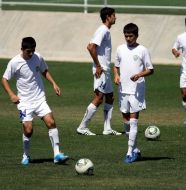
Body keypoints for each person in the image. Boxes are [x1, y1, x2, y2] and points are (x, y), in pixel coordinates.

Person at [2, 37, 69, 165]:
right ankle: (26, 155)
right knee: (28, 130)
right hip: (24, 103)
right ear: (22, 49)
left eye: (33, 50)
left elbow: (44, 71)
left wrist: (54, 84)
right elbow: (4, 79)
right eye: (28, 51)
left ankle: (57, 155)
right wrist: (11, 94)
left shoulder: (38, 57)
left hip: (39, 99)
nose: (31, 53)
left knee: (51, 122)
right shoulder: (14, 62)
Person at [76, 7, 121, 136]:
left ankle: (107, 128)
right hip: (101, 69)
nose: (115, 17)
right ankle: (82, 127)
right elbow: (90, 47)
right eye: (113, 15)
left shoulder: (105, 30)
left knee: (110, 97)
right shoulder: (102, 30)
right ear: (108, 17)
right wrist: (98, 65)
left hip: (105, 69)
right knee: (99, 98)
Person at [114, 23, 154, 163]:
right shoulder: (120, 49)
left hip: (137, 89)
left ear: (136, 36)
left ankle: (129, 152)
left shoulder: (143, 50)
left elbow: (150, 69)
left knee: (133, 121)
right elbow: (116, 65)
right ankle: (136, 149)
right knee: (126, 122)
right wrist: (116, 76)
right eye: (126, 36)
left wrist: (139, 74)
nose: (128, 38)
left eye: (131, 36)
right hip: (123, 89)